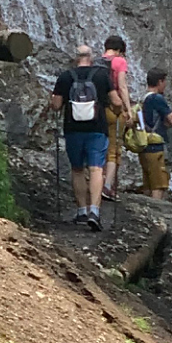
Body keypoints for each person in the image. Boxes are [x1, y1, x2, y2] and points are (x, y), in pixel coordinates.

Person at [49, 46, 119, 231]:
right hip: (97, 128)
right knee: (96, 170)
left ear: (75, 58)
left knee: (77, 169)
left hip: (73, 129)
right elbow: (116, 101)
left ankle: (81, 211)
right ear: (92, 57)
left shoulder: (65, 76)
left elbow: (56, 105)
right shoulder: (102, 75)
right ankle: (95, 212)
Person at [136, 68, 172, 200]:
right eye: (164, 81)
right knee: (158, 185)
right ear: (160, 81)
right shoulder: (157, 98)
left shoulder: (143, 99)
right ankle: (156, 215)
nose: (165, 85)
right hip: (155, 145)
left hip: (144, 144)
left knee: (148, 183)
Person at [101, 36, 133, 204]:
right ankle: (107, 186)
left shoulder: (97, 62)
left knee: (101, 147)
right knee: (114, 150)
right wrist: (128, 109)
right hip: (114, 110)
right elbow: (122, 86)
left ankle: (97, 180)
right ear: (120, 50)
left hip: (98, 110)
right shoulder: (119, 61)